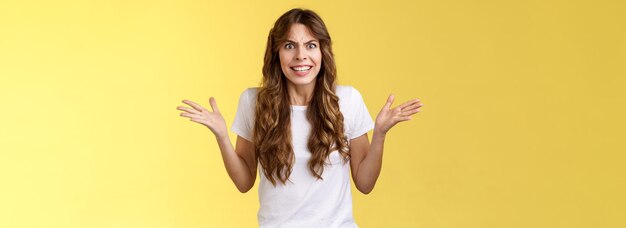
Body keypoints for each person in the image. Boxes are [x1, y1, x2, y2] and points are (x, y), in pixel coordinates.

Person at [177, 8, 423, 228]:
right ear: (277, 54)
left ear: (323, 52)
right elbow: (244, 182)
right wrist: (222, 136)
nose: (300, 56)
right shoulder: (253, 103)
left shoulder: (348, 100)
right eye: (289, 45)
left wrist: (380, 134)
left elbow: (365, 184)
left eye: (311, 45)